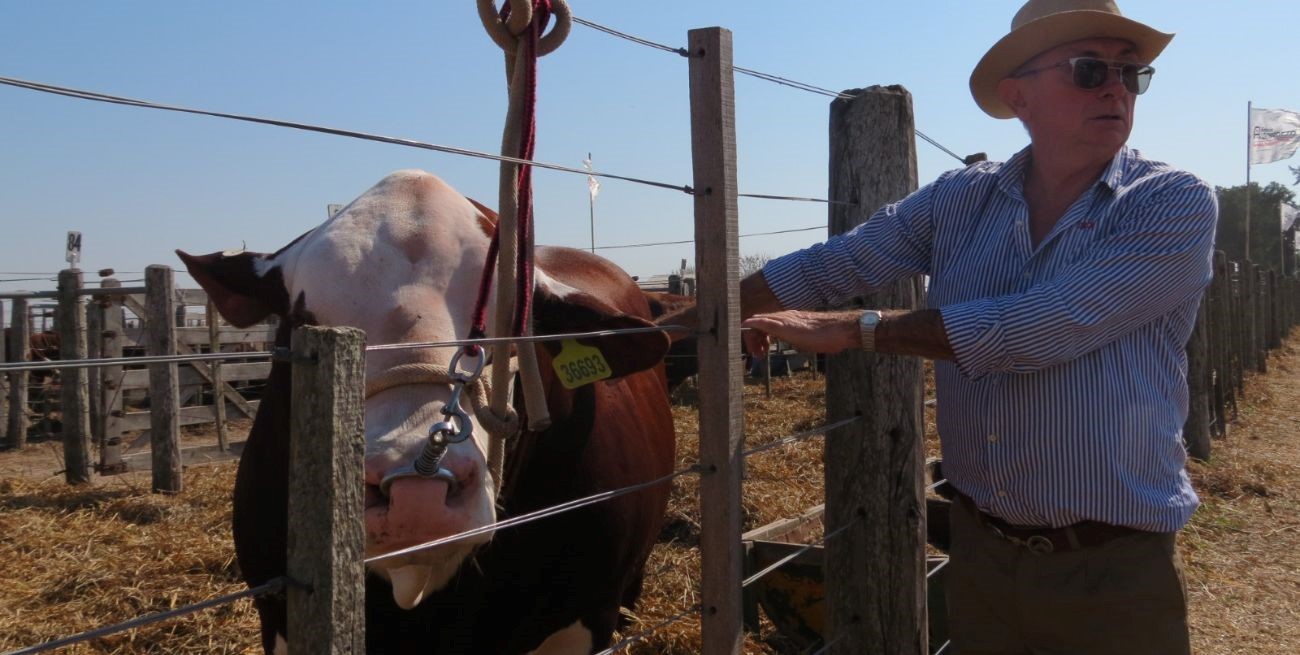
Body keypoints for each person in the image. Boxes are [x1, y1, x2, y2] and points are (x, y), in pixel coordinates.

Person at [734, 1, 1217, 653]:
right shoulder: (960, 197)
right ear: (1018, 97)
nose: (1114, 87)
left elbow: (1036, 330)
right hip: (983, 554)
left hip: (1114, 571)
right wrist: (692, 320)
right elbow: (837, 263)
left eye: (1131, 74)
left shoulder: (1172, 201)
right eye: (1088, 69)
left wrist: (854, 329)